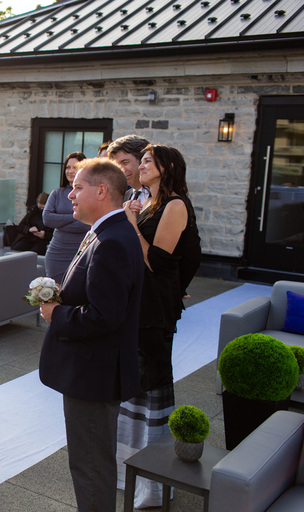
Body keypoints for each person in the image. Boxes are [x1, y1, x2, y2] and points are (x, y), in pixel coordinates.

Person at [39, 158, 144, 512]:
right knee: (90, 462)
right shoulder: (105, 230)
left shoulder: (112, 239)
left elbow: (104, 317)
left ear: (102, 191)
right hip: (92, 370)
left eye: (78, 187)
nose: (70, 194)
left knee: (91, 465)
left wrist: (57, 313)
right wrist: (62, 292)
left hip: (94, 374)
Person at [116, 144, 202, 508]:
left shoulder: (175, 204)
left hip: (154, 310)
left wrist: (132, 223)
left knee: (152, 384)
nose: (141, 166)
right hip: (138, 304)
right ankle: (127, 470)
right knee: (132, 385)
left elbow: (158, 261)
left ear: (166, 167)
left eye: (148, 161)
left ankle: (152, 483)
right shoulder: (147, 200)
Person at [42, 152, 90, 281]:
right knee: (54, 293)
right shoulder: (57, 193)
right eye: (68, 167)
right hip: (56, 253)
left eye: (75, 167)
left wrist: (60, 220)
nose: (70, 171)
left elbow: (86, 224)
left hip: (80, 252)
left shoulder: (88, 194)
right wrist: (75, 216)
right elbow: (47, 219)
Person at [107, 134, 150, 202]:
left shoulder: (161, 196)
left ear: (141, 159)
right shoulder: (123, 197)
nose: (122, 170)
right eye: (117, 165)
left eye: (125, 163)